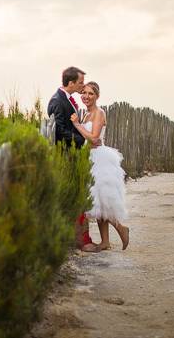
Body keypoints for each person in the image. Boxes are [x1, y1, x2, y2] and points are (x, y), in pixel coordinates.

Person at [71, 81, 130, 251]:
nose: (86, 96)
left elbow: (95, 138)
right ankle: (105, 242)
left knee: (100, 200)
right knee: (97, 202)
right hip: (88, 157)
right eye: (84, 93)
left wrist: (76, 125)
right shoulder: (86, 114)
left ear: (97, 96)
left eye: (91, 93)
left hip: (99, 159)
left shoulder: (99, 113)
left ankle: (121, 228)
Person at [47, 66, 97, 249]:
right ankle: (77, 239)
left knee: (80, 194)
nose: (82, 86)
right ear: (71, 83)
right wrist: (82, 140)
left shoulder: (66, 99)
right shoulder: (57, 101)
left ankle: (80, 238)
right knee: (73, 195)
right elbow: (60, 130)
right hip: (66, 155)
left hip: (73, 154)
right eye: (80, 83)